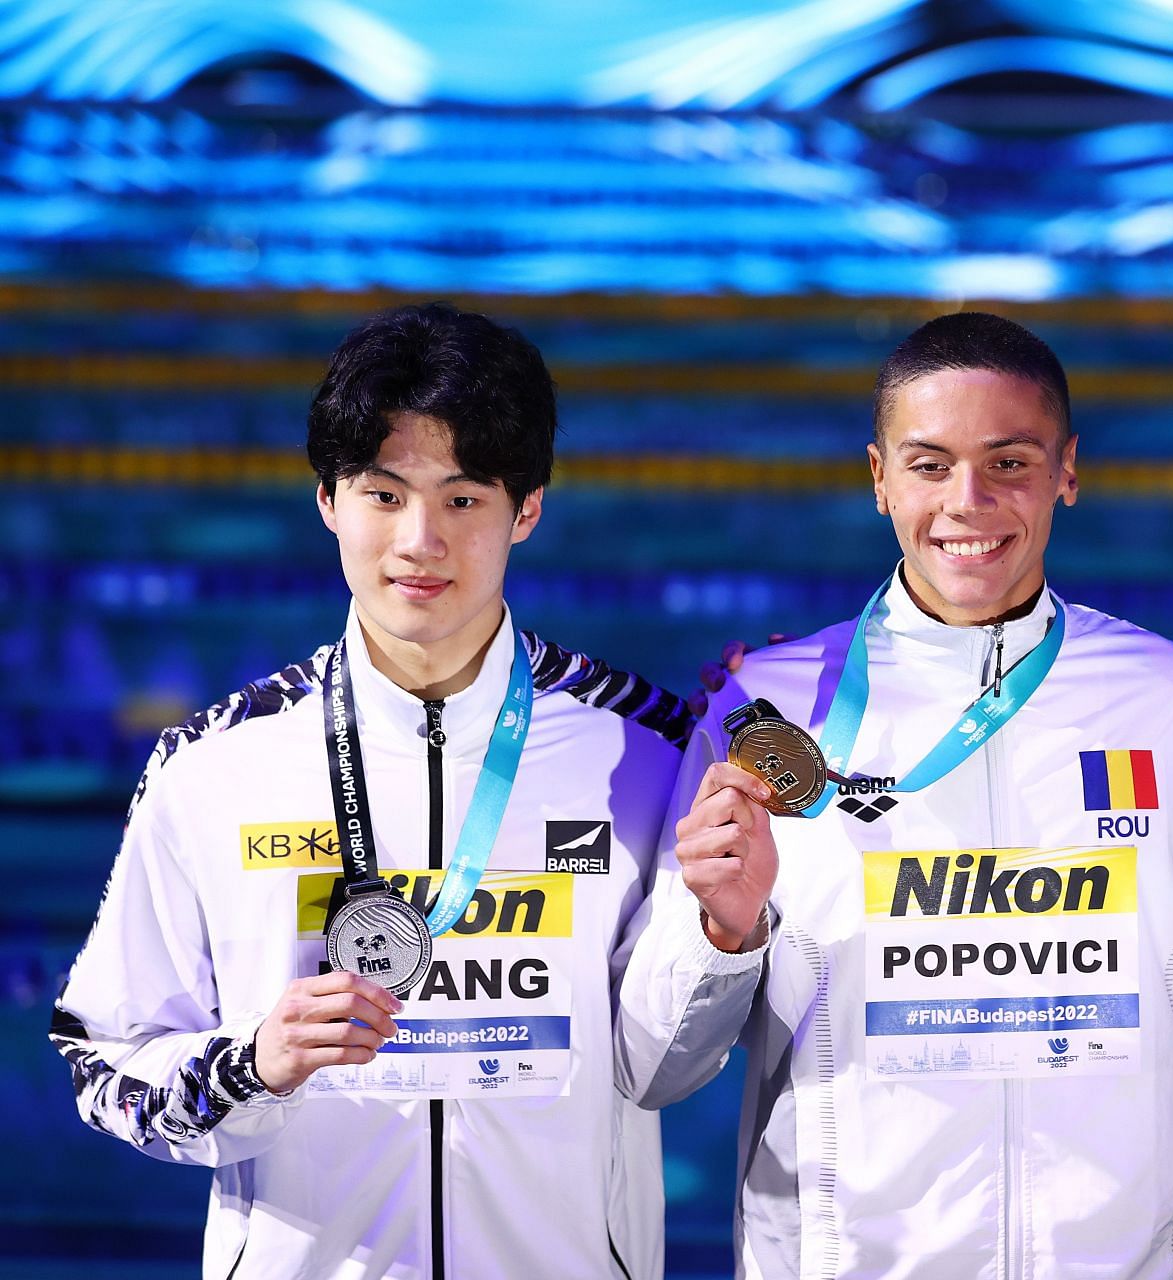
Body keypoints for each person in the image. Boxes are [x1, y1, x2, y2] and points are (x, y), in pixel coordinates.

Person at [49, 302, 773, 1280]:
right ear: (328, 501)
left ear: (527, 508)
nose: (419, 539)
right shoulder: (214, 764)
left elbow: (658, 1069)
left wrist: (725, 938)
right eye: (384, 495)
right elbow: (103, 1059)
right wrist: (249, 1063)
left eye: (464, 499)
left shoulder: (645, 749)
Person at [658, 312, 1173, 1276]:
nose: (969, 502)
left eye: (1009, 462)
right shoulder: (766, 711)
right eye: (930, 466)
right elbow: (659, 1066)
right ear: (879, 478)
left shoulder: (1167, 698)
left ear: (1067, 472)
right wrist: (720, 933)